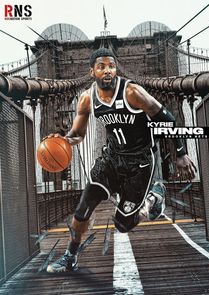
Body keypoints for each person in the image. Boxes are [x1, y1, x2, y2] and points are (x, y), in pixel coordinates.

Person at [47, 48, 196, 273]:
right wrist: (62, 142)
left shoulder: (132, 92)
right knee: (82, 210)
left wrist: (181, 153)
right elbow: (78, 133)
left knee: (123, 224)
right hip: (111, 160)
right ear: (92, 72)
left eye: (111, 66)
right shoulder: (87, 98)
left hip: (140, 164)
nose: (107, 70)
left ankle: (154, 197)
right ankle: (70, 256)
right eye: (101, 66)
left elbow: (168, 118)